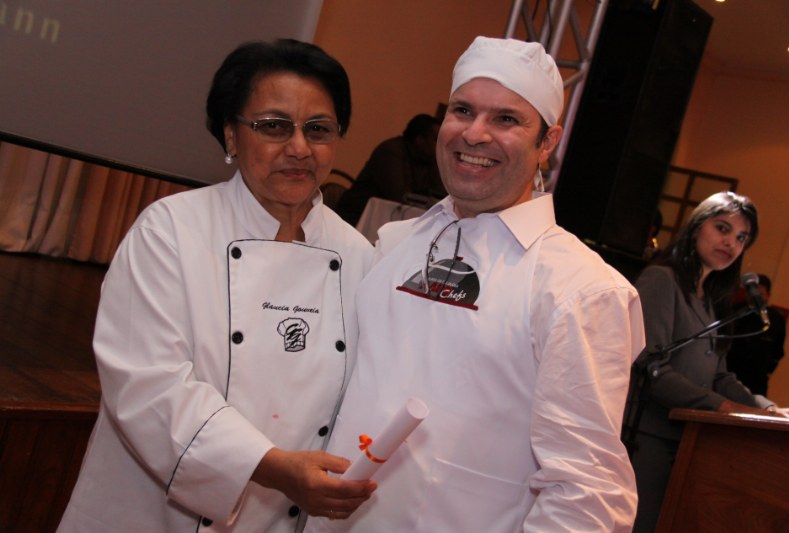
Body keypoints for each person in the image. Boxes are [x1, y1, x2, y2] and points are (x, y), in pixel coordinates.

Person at [306, 36, 645, 532]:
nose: (475, 134)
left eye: (506, 119)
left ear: (547, 143)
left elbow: (588, 493)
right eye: (463, 110)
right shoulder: (394, 243)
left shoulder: (580, 289)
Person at [58, 39, 376, 532]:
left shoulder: (358, 257)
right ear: (231, 135)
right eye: (273, 126)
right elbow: (148, 385)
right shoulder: (171, 229)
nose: (299, 148)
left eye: (318, 129)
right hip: (154, 515)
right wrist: (273, 467)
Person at [624, 191, 782, 532]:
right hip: (645, 439)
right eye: (722, 228)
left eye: (741, 238)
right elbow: (651, 367)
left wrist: (768, 411)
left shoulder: (710, 299)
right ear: (697, 226)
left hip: (689, 442)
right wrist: (722, 408)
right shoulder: (662, 279)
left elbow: (720, 376)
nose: (731, 243)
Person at [335, 113, 444, 225]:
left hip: (386, 220)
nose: (439, 146)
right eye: (436, 139)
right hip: (355, 218)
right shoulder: (391, 152)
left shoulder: (429, 159)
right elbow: (399, 196)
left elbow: (440, 194)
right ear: (419, 139)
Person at [727, 273, 787, 396]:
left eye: (760, 294)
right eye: (752, 294)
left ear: (768, 296)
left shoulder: (775, 319)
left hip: (756, 380)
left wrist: (767, 370)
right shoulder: (733, 312)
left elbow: (778, 351)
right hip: (728, 373)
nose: (755, 298)